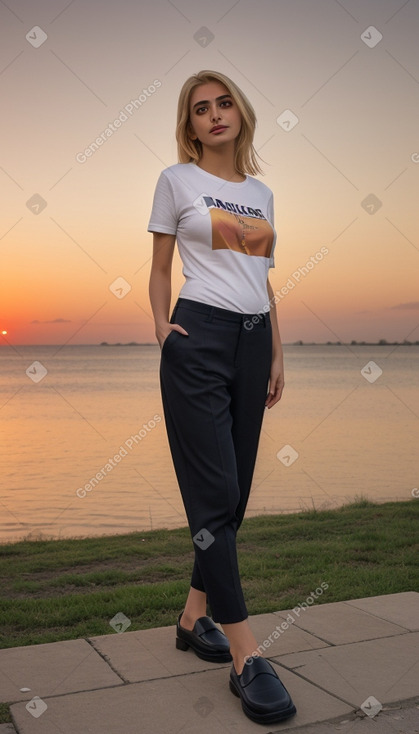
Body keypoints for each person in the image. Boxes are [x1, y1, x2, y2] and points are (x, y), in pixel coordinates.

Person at [148, 69, 296, 725]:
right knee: (213, 494)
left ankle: (191, 617)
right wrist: (161, 328)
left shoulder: (260, 193)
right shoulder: (176, 181)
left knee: (230, 497)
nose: (213, 115)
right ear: (191, 124)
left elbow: (259, 279)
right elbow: (157, 268)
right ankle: (246, 656)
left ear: (240, 113)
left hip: (251, 341)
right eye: (200, 109)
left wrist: (275, 351)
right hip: (198, 338)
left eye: (223, 103)